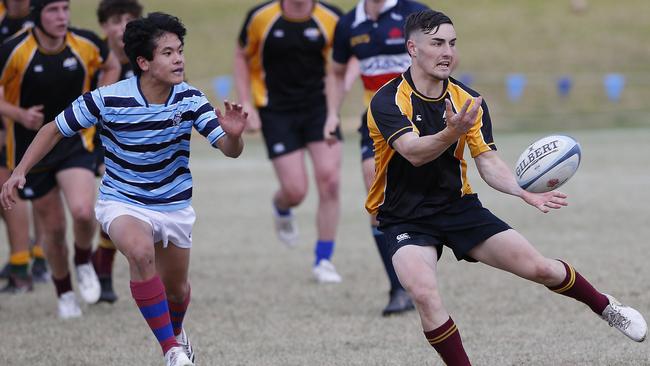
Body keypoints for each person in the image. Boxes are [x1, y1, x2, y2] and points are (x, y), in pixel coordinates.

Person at [365, 9, 647, 364]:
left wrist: (522, 190)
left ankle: (606, 306)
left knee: (540, 268)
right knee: (423, 293)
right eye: (437, 43)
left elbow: (486, 161)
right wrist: (452, 131)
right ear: (412, 48)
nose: (447, 52)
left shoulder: (468, 101)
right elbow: (412, 152)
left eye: (452, 43)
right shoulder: (387, 100)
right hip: (404, 217)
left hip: (458, 207)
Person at [1, 11, 246, 366]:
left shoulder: (190, 99)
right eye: (167, 52)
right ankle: (172, 351)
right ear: (144, 62)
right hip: (123, 201)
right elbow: (54, 128)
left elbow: (228, 149)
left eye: (180, 50)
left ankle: (176, 335)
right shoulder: (108, 98)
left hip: (173, 204)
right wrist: (19, 170)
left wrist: (234, 135)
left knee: (176, 291)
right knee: (139, 252)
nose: (178, 58)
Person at [0, 0, 120, 316]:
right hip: (30, 151)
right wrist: (18, 114)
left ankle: (83, 259)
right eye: (53, 10)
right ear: (37, 15)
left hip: (74, 142)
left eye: (66, 9)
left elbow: (111, 65)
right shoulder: (13, 50)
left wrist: (98, 103)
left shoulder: (84, 43)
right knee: (53, 230)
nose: (62, 17)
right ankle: (64, 292)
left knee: (82, 212)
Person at [326, 0, 428, 316]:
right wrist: (331, 114)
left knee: (428, 201)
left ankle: (422, 276)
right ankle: (398, 289)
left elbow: (443, 59)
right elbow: (337, 71)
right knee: (378, 204)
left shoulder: (415, 13)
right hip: (376, 124)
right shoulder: (348, 24)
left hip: (420, 119)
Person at [234, 0, 344, 283]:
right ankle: (281, 207)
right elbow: (241, 55)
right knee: (295, 191)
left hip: (319, 109)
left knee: (330, 181)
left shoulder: (330, 17)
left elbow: (347, 57)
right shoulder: (261, 17)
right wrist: (247, 103)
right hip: (276, 111)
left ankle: (323, 260)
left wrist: (336, 101)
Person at [90, 0, 143, 304]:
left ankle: (104, 273)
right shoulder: (94, 56)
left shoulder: (150, 57)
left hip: (141, 149)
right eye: (115, 20)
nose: (122, 26)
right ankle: (102, 273)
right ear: (103, 27)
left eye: (129, 19)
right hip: (98, 145)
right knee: (112, 209)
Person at [0, 0, 41, 293]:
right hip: (11, 118)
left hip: (29, 123)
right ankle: (23, 260)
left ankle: (27, 264)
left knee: (31, 189)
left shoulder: (40, 23)